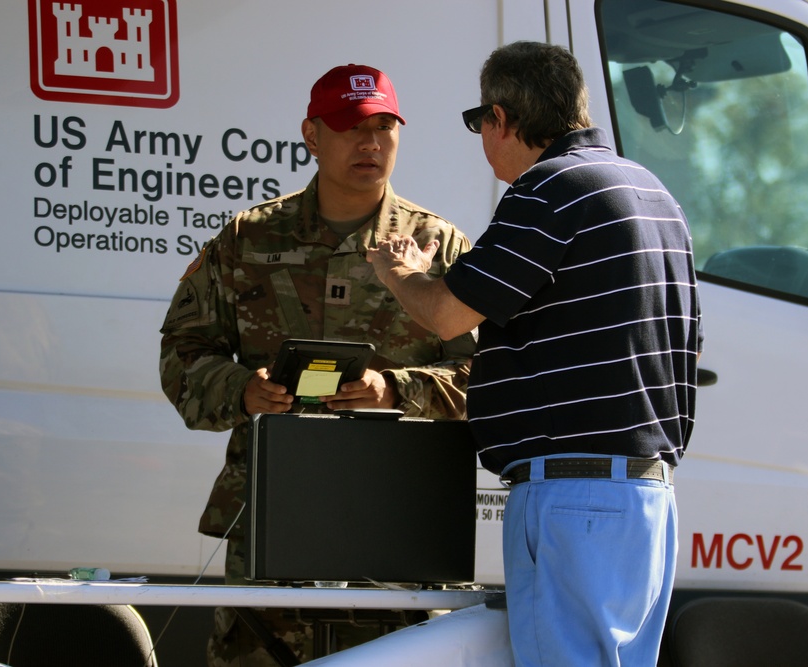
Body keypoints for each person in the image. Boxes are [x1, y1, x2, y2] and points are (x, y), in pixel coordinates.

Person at [367, 42, 702, 666]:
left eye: (478, 124)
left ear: (501, 118)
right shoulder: (654, 193)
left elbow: (445, 314)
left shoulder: (550, 189)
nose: (481, 139)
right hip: (648, 500)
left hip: (573, 499)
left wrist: (398, 271)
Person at [159, 63, 476, 667]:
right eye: (352, 126)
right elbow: (182, 352)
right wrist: (241, 391)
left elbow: (484, 377)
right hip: (272, 525)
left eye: (385, 126)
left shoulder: (440, 249)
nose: (371, 143)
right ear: (311, 135)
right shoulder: (246, 240)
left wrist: (394, 391)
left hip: (398, 532)